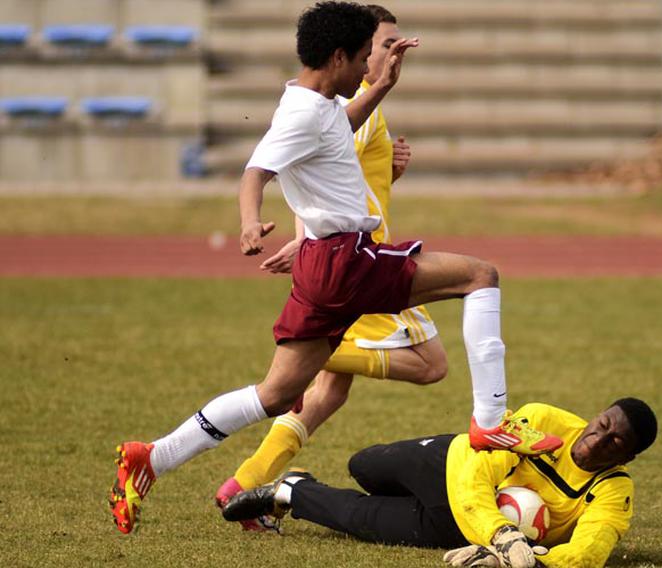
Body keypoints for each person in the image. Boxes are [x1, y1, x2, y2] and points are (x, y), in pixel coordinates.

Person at [109, 1, 561, 535]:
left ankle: (151, 458)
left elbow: (339, 126)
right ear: (339, 56)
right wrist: (250, 223)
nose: (367, 67)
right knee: (480, 275)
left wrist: (383, 86)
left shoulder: (319, 101)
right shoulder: (300, 112)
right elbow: (255, 171)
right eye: (365, 59)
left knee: (275, 394)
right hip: (347, 259)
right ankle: (490, 424)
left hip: (327, 269)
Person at [214, 5, 450, 530]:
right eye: (380, 45)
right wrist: (305, 243)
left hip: (349, 259)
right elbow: (311, 183)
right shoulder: (343, 108)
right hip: (360, 267)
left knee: (325, 395)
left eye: (389, 45)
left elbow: (345, 179)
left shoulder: (364, 109)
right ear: (353, 53)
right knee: (431, 365)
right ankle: (319, 360)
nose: (385, 54)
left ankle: (242, 485)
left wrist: (391, 170)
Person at [222, 399, 658, 568]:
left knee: (361, 520)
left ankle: (290, 491)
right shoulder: (545, 421)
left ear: (627, 457)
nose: (598, 440)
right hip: (448, 465)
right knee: (363, 466)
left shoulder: (614, 491)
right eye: (601, 425)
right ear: (596, 414)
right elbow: (476, 478)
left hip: (461, 527)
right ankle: (304, 485)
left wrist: (513, 560)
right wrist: (503, 534)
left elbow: (588, 553)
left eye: (614, 441)